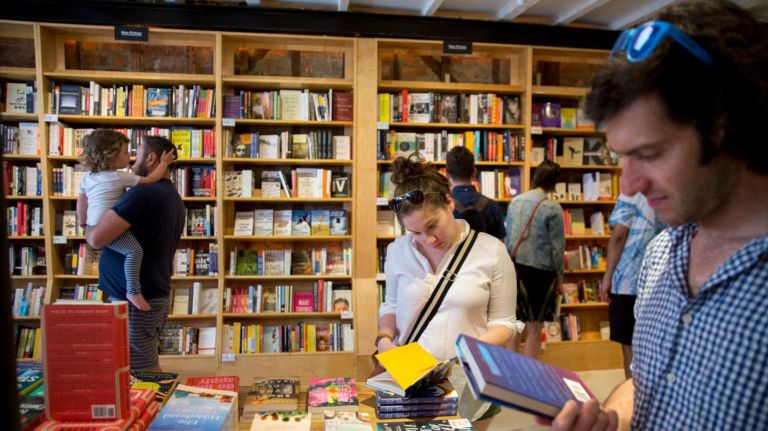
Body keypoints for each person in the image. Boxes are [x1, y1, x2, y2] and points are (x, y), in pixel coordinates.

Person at [544, 1, 768, 429]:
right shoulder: (662, 253)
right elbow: (647, 384)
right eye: (623, 157)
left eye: (649, 154)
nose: (628, 186)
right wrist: (614, 418)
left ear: (729, 124)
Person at [376, 156, 522, 431]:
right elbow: (391, 304)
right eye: (415, 232)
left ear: (449, 202)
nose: (427, 239)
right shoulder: (398, 250)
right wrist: (384, 338)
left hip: (471, 381)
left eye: (432, 225)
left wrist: (464, 352)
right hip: (412, 381)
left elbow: (505, 323)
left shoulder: (491, 251)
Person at [86, 135, 185, 372]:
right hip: (153, 293)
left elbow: (97, 239)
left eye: (137, 154)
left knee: (142, 372)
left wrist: (87, 227)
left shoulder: (143, 194)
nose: (131, 161)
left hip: (137, 300)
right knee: (142, 366)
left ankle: (159, 409)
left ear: (151, 158)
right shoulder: (172, 196)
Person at [77, 129, 175, 312]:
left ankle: (133, 291)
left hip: (93, 225)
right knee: (134, 251)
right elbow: (151, 178)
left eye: (134, 154)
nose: (130, 157)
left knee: (133, 250)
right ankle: (133, 290)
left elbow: (82, 202)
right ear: (110, 155)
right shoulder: (119, 177)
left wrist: (84, 224)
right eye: (125, 153)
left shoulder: (88, 178)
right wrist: (164, 164)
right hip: (126, 295)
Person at [599, 192, 665, 379]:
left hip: (629, 281)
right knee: (655, 345)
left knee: (629, 347)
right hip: (661, 279)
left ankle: (634, 396)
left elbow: (619, 235)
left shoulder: (632, 193)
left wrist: (607, 275)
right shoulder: (673, 187)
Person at [504, 159, 565, 359]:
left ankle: (509, 375)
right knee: (534, 330)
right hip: (541, 273)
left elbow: (509, 237)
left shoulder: (516, 201)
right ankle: (529, 378)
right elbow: (557, 248)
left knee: (515, 325)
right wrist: (560, 278)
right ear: (553, 181)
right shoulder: (552, 208)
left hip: (515, 268)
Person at [445, 146, 506, 240]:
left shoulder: (442, 207)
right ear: (474, 172)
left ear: (447, 174)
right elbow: (500, 247)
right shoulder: (493, 207)